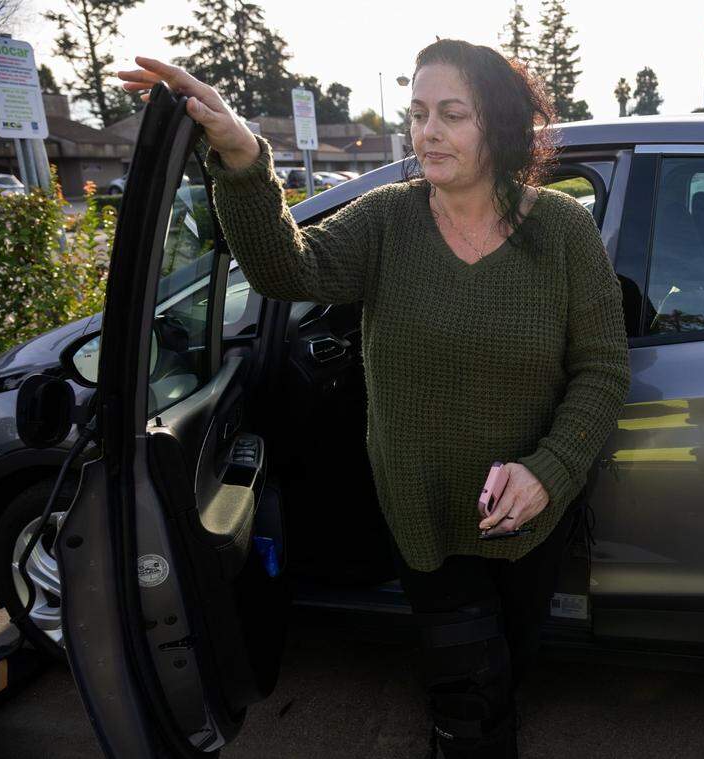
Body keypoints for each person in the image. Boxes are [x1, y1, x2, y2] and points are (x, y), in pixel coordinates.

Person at [116, 37, 631, 759]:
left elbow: (603, 369)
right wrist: (240, 154)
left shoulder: (564, 230)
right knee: (465, 684)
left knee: (508, 663)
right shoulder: (387, 220)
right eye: (419, 112)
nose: (428, 130)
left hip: (528, 519)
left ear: (501, 126)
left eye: (453, 113)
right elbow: (281, 267)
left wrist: (548, 471)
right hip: (420, 510)